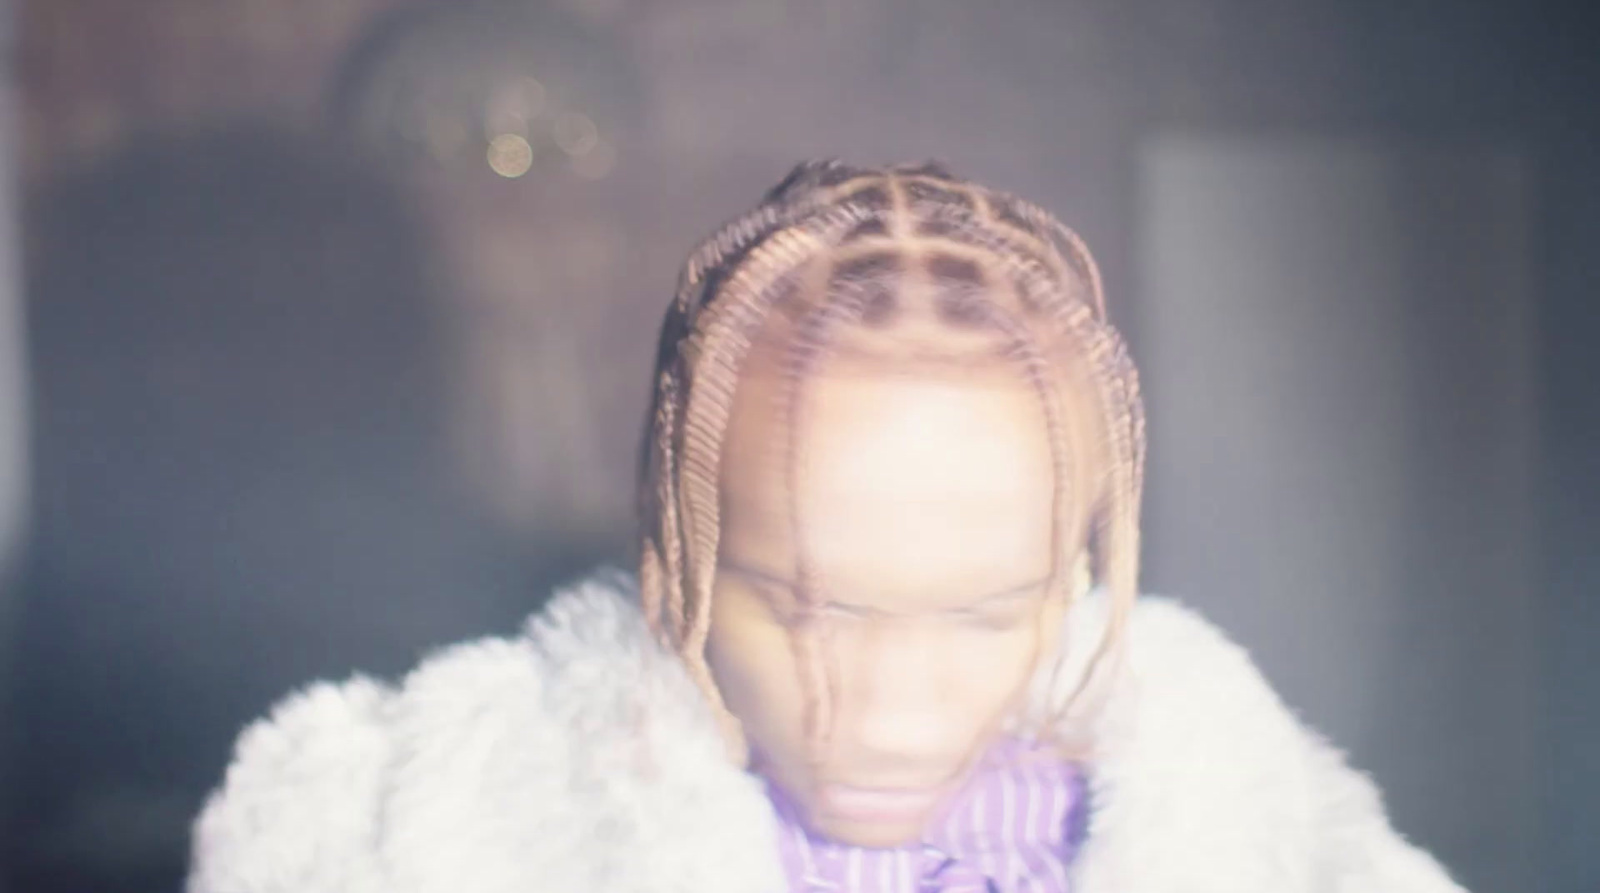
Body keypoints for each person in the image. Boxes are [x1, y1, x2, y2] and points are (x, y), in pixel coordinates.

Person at [186, 161, 1466, 893]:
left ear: (1071, 573)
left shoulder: (1278, 843)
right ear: (676, 552)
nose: (893, 716)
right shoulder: (390, 836)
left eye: (981, 615)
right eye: (808, 607)